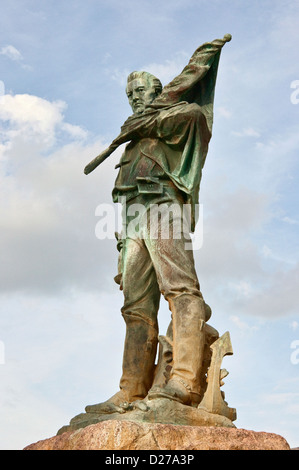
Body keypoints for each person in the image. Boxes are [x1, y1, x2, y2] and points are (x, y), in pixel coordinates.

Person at [85, 35, 231, 414]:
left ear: (158, 90)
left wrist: (153, 118)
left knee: (180, 289)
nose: (135, 97)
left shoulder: (178, 115)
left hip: (165, 207)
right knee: (135, 306)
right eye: (130, 93)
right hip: (132, 216)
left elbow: (195, 119)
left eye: (142, 90)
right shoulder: (133, 134)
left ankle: (184, 378)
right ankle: (131, 388)